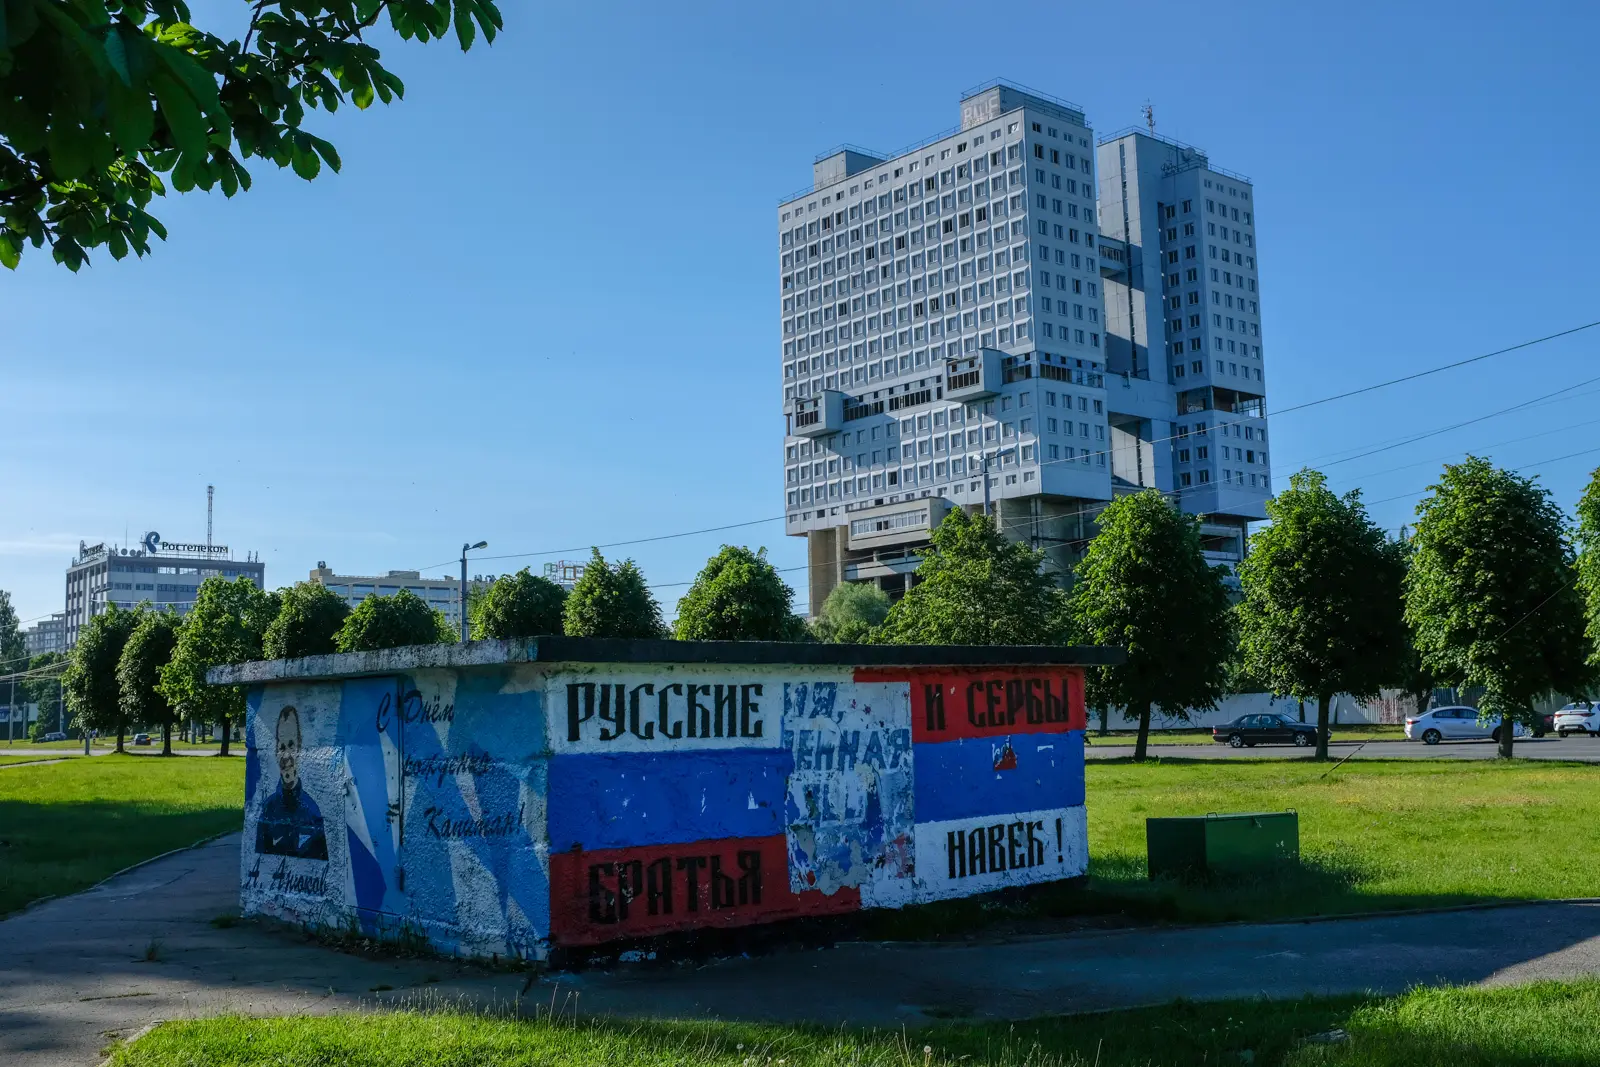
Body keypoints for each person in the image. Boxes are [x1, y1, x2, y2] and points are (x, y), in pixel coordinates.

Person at [255, 705, 328, 860]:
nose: (286, 755)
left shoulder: (312, 812)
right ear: (275, 752)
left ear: (300, 748)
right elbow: (260, 860)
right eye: (281, 747)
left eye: (291, 745)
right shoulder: (268, 808)